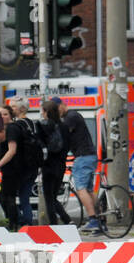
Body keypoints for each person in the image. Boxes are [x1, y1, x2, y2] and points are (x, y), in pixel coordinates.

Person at [0, 99, 38, 231]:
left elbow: (12, 151)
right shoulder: (7, 129)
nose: (2, 117)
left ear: (11, 115)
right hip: (15, 169)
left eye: (5, 114)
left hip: (13, 169)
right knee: (9, 197)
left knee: (7, 198)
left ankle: (15, 223)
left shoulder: (12, 128)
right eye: (0, 114)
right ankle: (20, 222)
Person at [58, 98, 99, 232]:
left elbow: (62, 136)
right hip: (88, 155)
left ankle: (93, 219)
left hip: (83, 157)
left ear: (63, 105)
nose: (57, 111)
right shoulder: (74, 116)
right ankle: (99, 221)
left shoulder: (70, 117)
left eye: (57, 108)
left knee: (81, 189)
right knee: (88, 190)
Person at [39, 100, 71, 225]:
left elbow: (39, 145)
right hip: (61, 165)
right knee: (53, 196)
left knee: (49, 198)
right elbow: (68, 145)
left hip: (48, 165)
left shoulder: (43, 126)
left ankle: (54, 224)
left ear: (46, 112)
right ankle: (66, 220)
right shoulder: (64, 126)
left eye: (42, 111)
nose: (42, 114)